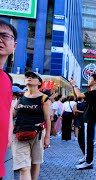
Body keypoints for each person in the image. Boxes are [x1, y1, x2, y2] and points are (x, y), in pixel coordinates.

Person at [12, 71, 51, 180]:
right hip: (19, 134)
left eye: (34, 76)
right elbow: (13, 114)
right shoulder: (20, 97)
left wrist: (47, 137)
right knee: (23, 167)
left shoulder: (44, 99)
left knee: (35, 162)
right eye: (28, 76)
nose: (30, 77)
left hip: (37, 134)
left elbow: (47, 119)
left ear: (39, 82)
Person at [70, 74, 96, 170]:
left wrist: (74, 85)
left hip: (89, 120)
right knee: (81, 139)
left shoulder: (94, 93)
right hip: (86, 119)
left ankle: (89, 162)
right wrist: (73, 86)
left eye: (90, 79)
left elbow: (80, 95)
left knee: (88, 141)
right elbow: (78, 97)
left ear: (95, 81)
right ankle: (86, 156)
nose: (88, 80)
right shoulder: (90, 93)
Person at [0, 19, 16, 180]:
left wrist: (8, 134)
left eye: (5, 36)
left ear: (14, 46)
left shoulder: (6, 79)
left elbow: (6, 109)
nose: (0, 39)